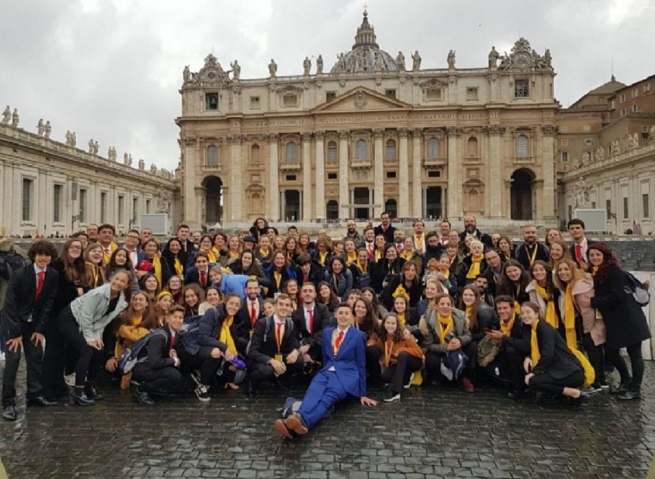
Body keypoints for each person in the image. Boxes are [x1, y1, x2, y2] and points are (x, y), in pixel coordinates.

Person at [274, 303, 377, 438]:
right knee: (313, 392)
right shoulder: (328, 333)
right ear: (335, 315)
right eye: (341, 313)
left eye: (347, 313)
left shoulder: (358, 336)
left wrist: (362, 393)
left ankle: (300, 422)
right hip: (327, 371)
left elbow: (361, 363)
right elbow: (326, 356)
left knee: (326, 399)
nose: (343, 316)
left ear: (352, 317)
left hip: (347, 376)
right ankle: (298, 418)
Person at [580, 244, 650, 400]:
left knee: (634, 354)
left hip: (628, 317)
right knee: (611, 351)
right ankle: (626, 380)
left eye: (598, 255)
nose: (595, 258)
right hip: (613, 320)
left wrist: (593, 302)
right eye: (591, 255)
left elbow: (616, 295)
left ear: (605, 256)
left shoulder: (613, 270)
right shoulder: (594, 272)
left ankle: (635, 389)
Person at [1, 240, 59, 421]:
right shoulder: (20, 274)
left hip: (34, 324)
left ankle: (34, 394)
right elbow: (10, 304)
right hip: (14, 323)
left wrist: (40, 329)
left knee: (35, 356)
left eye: (47, 255)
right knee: (13, 361)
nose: (43, 258)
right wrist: (16, 333)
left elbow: (48, 303)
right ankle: (8, 402)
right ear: (33, 256)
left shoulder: (52, 274)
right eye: (40, 254)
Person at [58, 270, 131, 406]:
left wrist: (97, 337)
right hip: (70, 318)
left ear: (126, 285)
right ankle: (78, 392)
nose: (118, 283)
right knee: (86, 350)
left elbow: (103, 321)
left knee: (99, 350)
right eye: (116, 279)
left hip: (88, 323)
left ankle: (88, 386)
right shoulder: (97, 294)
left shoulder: (121, 303)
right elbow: (86, 316)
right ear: (111, 278)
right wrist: (89, 338)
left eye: (122, 281)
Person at [42, 238, 90, 402]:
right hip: (55, 315)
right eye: (73, 247)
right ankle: (46, 388)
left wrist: (80, 292)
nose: (76, 249)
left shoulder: (80, 267)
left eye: (79, 247)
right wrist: (76, 292)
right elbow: (55, 292)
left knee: (61, 352)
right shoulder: (57, 266)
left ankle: (58, 384)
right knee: (52, 352)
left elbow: (86, 289)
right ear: (67, 248)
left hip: (71, 316)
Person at [521, 301, 589, 407]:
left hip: (570, 372)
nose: (525, 316)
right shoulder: (533, 329)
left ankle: (574, 393)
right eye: (522, 313)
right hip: (560, 370)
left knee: (533, 381)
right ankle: (560, 394)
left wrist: (534, 372)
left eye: (528, 312)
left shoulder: (543, 328)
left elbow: (548, 354)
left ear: (536, 314)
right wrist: (528, 357)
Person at [553, 259, 606, 391]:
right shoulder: (571, 285)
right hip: (589, 322)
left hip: (592, 323)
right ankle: (600, 379)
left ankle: (596, 381)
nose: (563, 272)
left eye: (566, 269)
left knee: (593, 350)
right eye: (560, 270)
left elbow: (587, 311)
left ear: (573, 270)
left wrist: (587, 329)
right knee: (596, 350)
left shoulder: (579, 287)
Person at [246, 294, 303, 396]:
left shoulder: (290, 324)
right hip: (262, 359)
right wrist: (271, 361)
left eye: (287, 305)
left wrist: (295, 351)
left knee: (299, 360)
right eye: (281, 304)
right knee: (267, 370)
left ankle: (278, 378)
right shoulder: (263, 323)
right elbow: (252, 351)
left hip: (278, 356)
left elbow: (295, 343)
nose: (284, 308)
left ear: (290, 308)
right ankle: (252, 383)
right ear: (275, 306)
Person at [419, 293, 474, 392]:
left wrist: (459, 340)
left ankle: (464, 377)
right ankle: (437, 377)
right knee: (430, 357)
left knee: (471, 346)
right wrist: (446, 347)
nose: (445, 307)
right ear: (436, 306)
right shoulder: (428, 320)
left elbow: (468, 335)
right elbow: (428, 345)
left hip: (456, 349)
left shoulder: (459, 317)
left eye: (448, 304)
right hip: (440, 350)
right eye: (442, 304)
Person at [132, 305, 186, 406]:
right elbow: (154, 362)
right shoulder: (159, 336)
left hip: (151, 365)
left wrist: (173, 350)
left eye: (181, 317)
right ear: (167, 318)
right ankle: (142, 390)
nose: (178, 320)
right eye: (175, 317)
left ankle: (155, 389)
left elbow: (172, 345)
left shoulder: (175, 333)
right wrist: (174, 360)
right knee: (174, 375)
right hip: (143, 367)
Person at [483, 295, 531, 398]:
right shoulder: (497, 321)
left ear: (512, 308)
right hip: (503, 354)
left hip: (522, 356)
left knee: (511, 351)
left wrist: (503, 337)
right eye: (499, 309)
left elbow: (525, 345)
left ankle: (519, 388)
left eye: (505, 308)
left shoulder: (521, 322)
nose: (502, 311)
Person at [371, 313, 424, 402]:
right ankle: (406, 377)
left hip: (414, 361)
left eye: (393, 323)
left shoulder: (405, 336)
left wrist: (402, 350)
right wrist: (371, 342)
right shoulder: (383, 338)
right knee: (385, 377)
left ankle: (395, 391)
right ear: (384, 324)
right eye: (388, 323)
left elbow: (419, 352)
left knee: (402, 355)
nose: (390, 326)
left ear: (397, 325)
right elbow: (378, 345)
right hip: (397, 363)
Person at [115, 292, 159, 389]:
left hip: (141, 353)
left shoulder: (153, 319)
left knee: (143, 332)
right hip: (123, 350)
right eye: (135, 299)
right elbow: (118, 336)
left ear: (147, 303)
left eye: (141, 300)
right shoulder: (124, 317)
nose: (137, 302)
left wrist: (128, 333)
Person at [292, 282, 331, 367]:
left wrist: (308, 345)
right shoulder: (296, 314)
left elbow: (325, 330)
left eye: (310, 291)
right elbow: (294, 336)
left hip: (320, 347)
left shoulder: (323, 309)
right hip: (303, 350)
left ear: (315, 294)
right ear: (301, 294)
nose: (308, 294)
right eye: (305, 291)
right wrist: (302, 352)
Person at [526, 260, 559, 326]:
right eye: (535, 270)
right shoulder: (532, 288)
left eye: (541, 269)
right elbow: (535, 307)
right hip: (544, 320)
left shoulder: (556, 282)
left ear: (546, 271)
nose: (539, 272)